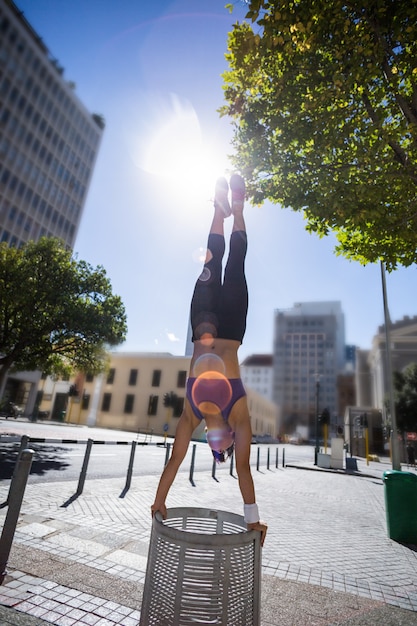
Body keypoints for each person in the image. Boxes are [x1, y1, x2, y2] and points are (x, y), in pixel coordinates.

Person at [151, 174, 267, 546]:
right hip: (232, 325)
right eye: (224, 448)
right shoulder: (239, 414)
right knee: (237, 264)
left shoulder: (191, 416)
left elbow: (174, 463)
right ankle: (237, 209)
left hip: (202, 320)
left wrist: (158, 503)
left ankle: (218, 210)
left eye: (214, 449)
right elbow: (245, 471)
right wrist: (253, 520)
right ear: (230, 437)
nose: (219, 445)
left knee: (212, 258)